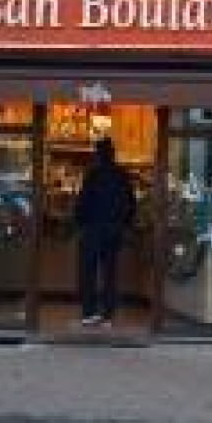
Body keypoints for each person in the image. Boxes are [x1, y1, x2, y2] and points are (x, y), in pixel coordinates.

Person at [75, 136, 136, 326]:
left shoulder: (92, 175)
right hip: (114, 231)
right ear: (113, 153)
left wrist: (79, 223)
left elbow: (82, 203)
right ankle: (108, 314)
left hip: (93, 230)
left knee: (88, 272)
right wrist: (124, 224)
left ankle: (89, 312)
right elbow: (131, 204)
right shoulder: (121, 175)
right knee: (110, 273)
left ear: (98, 154)